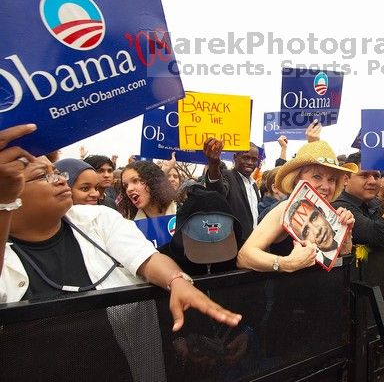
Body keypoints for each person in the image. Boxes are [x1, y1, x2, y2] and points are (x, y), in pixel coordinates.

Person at [0, 125, 241, 329]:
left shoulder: (100, 219)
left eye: (57, 172)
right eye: (43, 175)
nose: (61, 179)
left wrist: (175, 280)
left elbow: (146, 257)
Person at [236, 140, 355, 273]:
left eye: (331, 179)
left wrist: (346, 233)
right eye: (317, 177)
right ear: (297, 179)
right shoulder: (285, 208)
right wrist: (285, 264)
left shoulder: (330, 213)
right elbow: (244, 257)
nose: (326, 186)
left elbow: (341, 261)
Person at [204, 139, 261, 246]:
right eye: (246, 157)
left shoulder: (254, 185)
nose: (250, 163)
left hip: (254, 244)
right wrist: (213, 164)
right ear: (235, 157)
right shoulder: (227, 176)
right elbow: (217, 190)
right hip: (234, 245)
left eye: (254, 159)